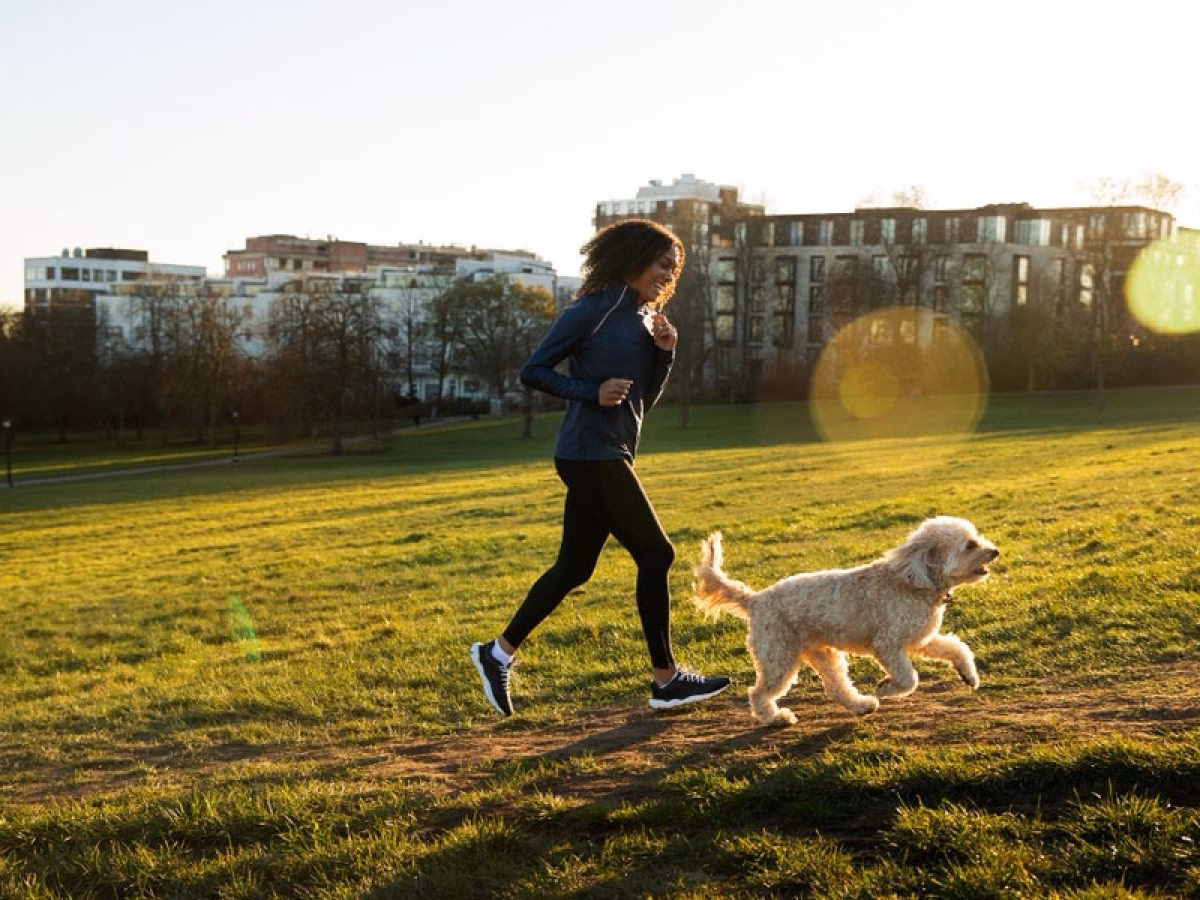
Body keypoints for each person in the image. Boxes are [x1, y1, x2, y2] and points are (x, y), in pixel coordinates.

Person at [470, 218, 731, 716]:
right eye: (662, 264)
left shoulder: (644, 319)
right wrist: (591, 391)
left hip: (610, 452)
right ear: (634, 258)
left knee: (574, 568)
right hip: (589, 453)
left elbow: (641, 401)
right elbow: (533, 371)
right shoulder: (593, 309)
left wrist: (665, 354)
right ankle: (666, 679)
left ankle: (496, 653)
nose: (668, 275)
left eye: (674, 269)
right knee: (656, 553)